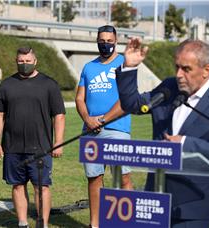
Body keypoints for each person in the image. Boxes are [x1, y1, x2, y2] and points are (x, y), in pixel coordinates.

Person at [116, 38, 209, 228]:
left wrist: (186, 144)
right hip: (156, 199)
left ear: (206, 70)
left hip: (194, 206)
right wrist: (129, 67)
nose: (179, 75)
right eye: (177, 67)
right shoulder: (169, 87)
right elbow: (133, 104)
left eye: (186, 69)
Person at [0, 47, 65, 228]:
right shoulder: (7, 85)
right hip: (12, 147)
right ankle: (22, 222)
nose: (24, 64)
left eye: (28, 61)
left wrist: (58, 142)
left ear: (35, 61)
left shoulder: (49, 84)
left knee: (42, 187)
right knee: (17, 185)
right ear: (16, 61)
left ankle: (43, 223)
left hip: (41, 147)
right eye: (21, 61)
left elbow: (59, 115)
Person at [75, 25, 133, 228]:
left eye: (109, 40)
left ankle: (125, 223)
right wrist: (88, 119)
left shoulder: (124, 63)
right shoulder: (88, 67)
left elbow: (127, 99)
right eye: (102, 40)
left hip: (117, 130)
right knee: (94, 178)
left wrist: (102, 120)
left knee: (122, 178)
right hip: (90, 132)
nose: (105, 44)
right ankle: (95, 224)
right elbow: (79, 98)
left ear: (116, 40)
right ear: (97, 40)